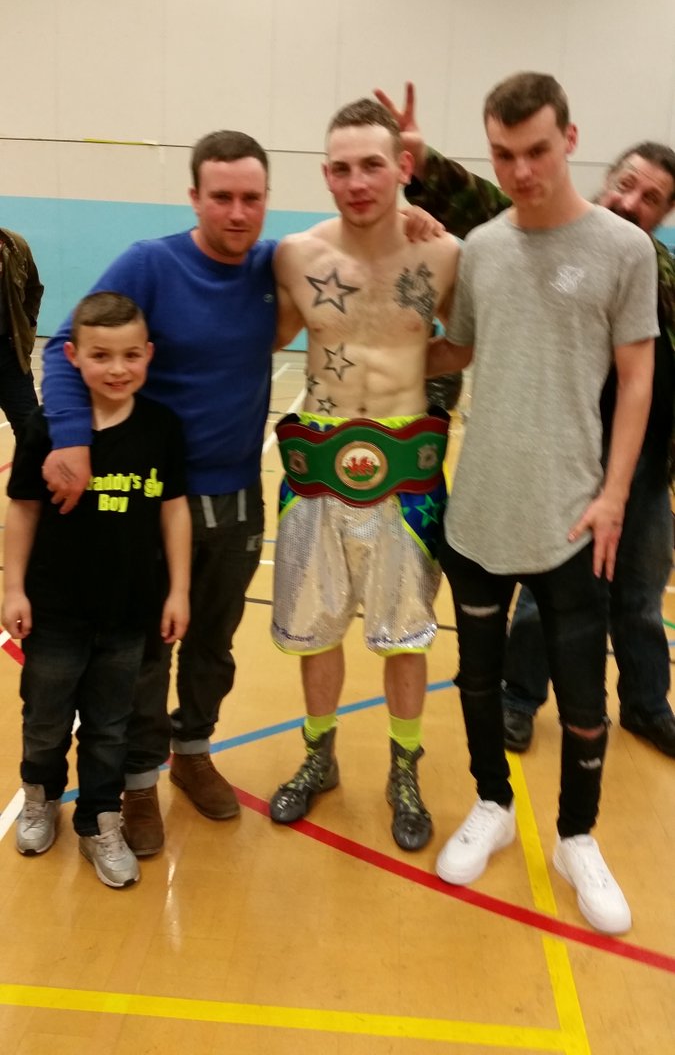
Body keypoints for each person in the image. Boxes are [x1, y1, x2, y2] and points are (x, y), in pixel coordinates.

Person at [38, 129, 442, 858]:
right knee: (143, 651)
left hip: (236, 498)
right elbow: (67, 345)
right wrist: (69, 435)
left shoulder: (274, 263)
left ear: (266, 202)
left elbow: (371, 264)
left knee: (212, 648)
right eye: (220, 196)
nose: (236, 211)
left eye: (251, 198)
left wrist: (415, 215)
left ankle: (192, 752)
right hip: (152, 504)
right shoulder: (149, 263)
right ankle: (137, 781)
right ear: (194, 196)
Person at [418, 72, 657, 934]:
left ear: (569, 139)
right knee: (477, 681)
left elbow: (636, 378)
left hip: (571, 518)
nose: (520, 170)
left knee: (583, 700)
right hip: (478, 512)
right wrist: (379, 318)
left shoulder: (621, 250)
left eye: (537, 151)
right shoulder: (480, 246)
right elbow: (455, 351)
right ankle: (488, 802)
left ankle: (575, 837)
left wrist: (615, 494)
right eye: (504, 154)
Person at [375, 83, 675, 759]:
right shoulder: (519, 231)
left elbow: (644, 375)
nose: (630, 199)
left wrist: (626, 486)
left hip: (646, 463)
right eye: (626, 183)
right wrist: (422, 164)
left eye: (650, 196)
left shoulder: (644, 262)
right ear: (601, 169)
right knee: (546, 600)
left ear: (664, 212)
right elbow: (487, 207)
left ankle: (648, 706)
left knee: (637, 598)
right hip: (563, 461)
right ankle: (517, 701)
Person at [268, 98, 460, 851]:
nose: (357, 181)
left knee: (405, 636)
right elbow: (259, 327)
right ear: (324, 174)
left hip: (404, 477)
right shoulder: (293, 255)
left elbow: (466, 345)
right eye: (341, 168)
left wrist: (415, 359)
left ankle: (403, 769)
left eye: (372, 164)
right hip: (316, 468)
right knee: (316, 629)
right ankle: (318, 755)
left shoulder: (443, 256)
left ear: (402, 166)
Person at [2, 292, 190, 888]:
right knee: (47, 718)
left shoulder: (160, 427)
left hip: (128, 615)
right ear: (74, 356)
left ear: (148, 355)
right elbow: (24, 513)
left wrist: (178, 591)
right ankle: (40, 796)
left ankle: (99, 820)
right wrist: (14, 591)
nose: (117, 368)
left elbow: (175, 512)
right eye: (101, 355)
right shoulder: (47, 429)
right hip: (56, 613)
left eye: (130, 355)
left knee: (111, 727)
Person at [0, 226, 44, 436]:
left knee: (31, 430)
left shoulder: (14, 245)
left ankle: (27, 470)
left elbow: (34, 289)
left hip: (9, 353)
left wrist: (26, 324)